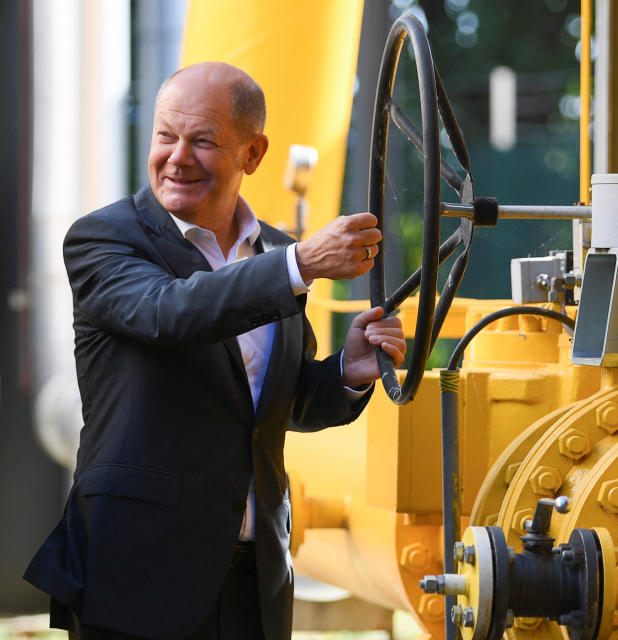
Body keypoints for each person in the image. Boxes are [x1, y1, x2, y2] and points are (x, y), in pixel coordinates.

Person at [24, 62, 405, 640]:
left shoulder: (273, 252)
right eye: (164, 136)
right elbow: (168, 312)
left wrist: (346, 375)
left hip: (255, 581)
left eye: (202, 140)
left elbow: (272, 406)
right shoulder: (104, 239)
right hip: (138, 575)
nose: (177, 157)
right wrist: (299, 265)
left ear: (253, 154)